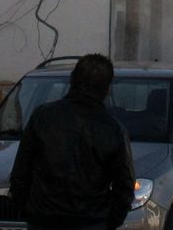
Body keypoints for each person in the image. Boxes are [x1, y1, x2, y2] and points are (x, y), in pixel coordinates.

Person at [9, 53, 135, 230]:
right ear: (107, 89)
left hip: (44, 220)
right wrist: (108, 222)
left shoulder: (42, 117)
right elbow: (124, 187)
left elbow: (20, 174)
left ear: (72, 80)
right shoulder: (112, 129)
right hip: (90, 221)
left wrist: (28, 211)